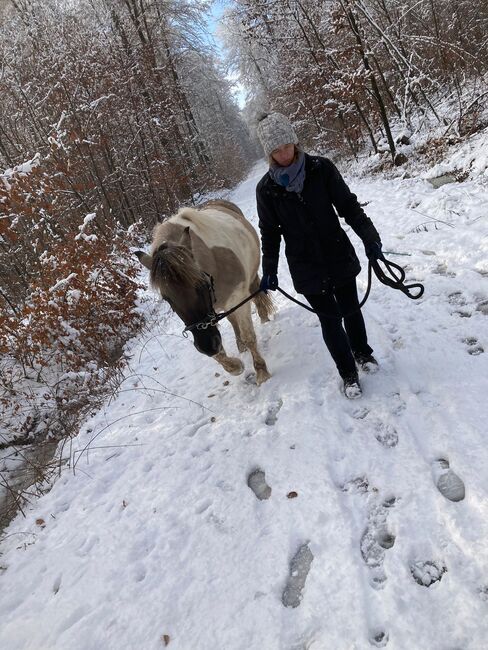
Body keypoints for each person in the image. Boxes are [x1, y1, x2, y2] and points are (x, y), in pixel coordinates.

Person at [255, 112, 384, 399]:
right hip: (306, 265)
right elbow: (270, 233)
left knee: (351, 308)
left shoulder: (321, 169)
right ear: (269, 153)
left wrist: (370, 237)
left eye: (286, 146)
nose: (283, 154)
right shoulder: (266, 190)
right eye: (275, 150)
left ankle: (362, 353)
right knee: (329, 320)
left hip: (337, 252)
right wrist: (270, 269)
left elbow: (348, 206)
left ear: (294, 141)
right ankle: (348, 374)